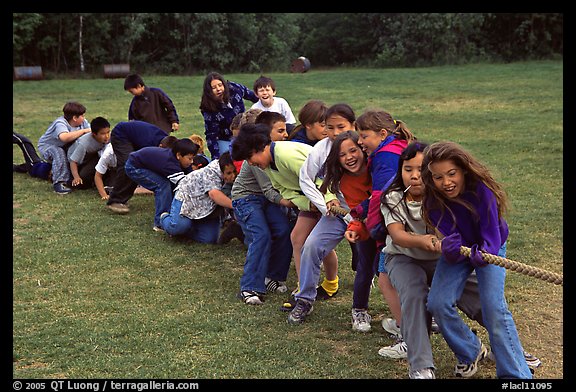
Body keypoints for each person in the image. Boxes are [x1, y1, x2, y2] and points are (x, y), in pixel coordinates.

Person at [422, 141, 533, 379]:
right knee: (437, 303)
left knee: (493, 307)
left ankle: (516, 376)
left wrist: (485, 252)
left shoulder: (482, 189)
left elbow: (491, 232)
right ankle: (470, 350)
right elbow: (447, 234)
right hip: (462, 249)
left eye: (452, 174)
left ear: (463, 170)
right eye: (438, 177)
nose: (446, 182)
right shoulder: (433, 199)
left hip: (489, 246)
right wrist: (450, 247)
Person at [346, 109, 415, 348]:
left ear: (382, 133)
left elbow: (382, 195)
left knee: (388, 280)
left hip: (396, 226)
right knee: (397, 279)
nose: (360, 141)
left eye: (364, 136)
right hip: (408, 223)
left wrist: (372, 228)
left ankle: (408, 335)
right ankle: (410, 325)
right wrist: (360, 211)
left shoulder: (385, 156)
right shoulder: (399, 147)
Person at [288, 130, 372, 325]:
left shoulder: (374, 168)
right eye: (342, 155)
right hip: (340, 214)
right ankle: (305, 299)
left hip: (367, 219)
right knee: (311, 246)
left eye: (353, 151)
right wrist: (329, 197)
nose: (349, 158)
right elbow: (321, 181)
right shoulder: (336, 170)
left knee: (373, 264)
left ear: (362, 149)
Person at [285, 103, 356, 317]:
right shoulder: (321, 148)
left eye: (341, 127)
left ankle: (363, 307)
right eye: (329, 127)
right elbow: (307, 178)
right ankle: (305, 299)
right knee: (311, 245)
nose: (334, 133)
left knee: (383, 261)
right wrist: (324, 202)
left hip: (364, 213)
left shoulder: (361, 147)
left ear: (353, 125)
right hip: (336, 212)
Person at [231, 122, 294, 305]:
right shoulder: (256, 158)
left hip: (268, 200)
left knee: (284, 230)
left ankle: (273, 277)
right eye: (279, 131)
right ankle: (249, 287)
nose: (284, 135)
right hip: (246, 198)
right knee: (261, 235)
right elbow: (268, 190)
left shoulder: (281, 153)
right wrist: (292, 202)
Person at [159, 152, 237, 244]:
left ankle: (187, 229)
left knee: (209, 239)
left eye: (234, 172)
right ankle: (165, 218)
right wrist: (235, 205)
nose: (233, 176)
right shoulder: (211, 171)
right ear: (221, 169)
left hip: (206, 206)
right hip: (187, 198)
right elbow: (214, 194)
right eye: (228, 173)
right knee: (178, 227)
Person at [124, 138, 197, 231]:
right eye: (190, 158)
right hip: (134, 166)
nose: (191, 162)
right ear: (178, 155)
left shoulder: (177, 159)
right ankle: (160, 222)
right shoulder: (170, 164)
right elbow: (184, 184)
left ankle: (170, 212)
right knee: (162, 186)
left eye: (193, 158)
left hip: (144, 163)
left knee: (169, 184)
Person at [105, 121, 169, 214]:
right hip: (121, 134)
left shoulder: (167, 143)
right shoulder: (150, 144)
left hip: (135, 138)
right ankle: (116, 201)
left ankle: (121, 197)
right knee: (129, 166)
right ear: (160, 147)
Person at [199, 71, 258, 159]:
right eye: (214, 87)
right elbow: (211, 134)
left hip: (244, 131)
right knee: (228, 159)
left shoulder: (235, 88)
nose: (218, 89)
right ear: (209, 91)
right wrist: (216, 157)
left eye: (220, 85)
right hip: (225, 138)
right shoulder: (208, 108)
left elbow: (253, 96)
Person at [37, 101, 92, 194]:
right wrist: (83, 131)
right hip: (47, 146)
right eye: (82, 116)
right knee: (59, 153)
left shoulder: (83, 123)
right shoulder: (60, 123)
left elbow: (90, 134)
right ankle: (59, 183)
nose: (84, 118)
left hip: (65, 146)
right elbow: (64, 137)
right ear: (75, 118)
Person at [67, 116, 111, 190]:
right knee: (83, 179)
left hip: (94, 156)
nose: (106, 136)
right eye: (102, 134)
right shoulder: (84, 143)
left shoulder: (110, 137)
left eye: (108, 132)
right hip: (78, 162)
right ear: (94, 134)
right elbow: (73, 161)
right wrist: (76, 177)